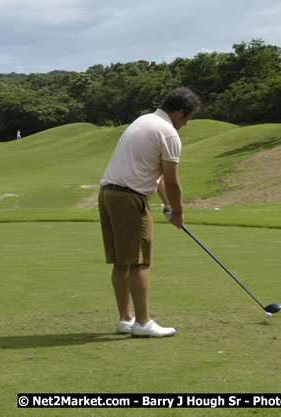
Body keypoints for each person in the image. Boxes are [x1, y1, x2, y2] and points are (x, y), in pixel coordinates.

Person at [98, 87, 200, 338]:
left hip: (108, 194)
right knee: (139, 261)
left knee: (122, 262)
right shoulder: (169, 134)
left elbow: (155, 177)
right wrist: (178, 212)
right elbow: (173, 181)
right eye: (187, 118)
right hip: (129, 199)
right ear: (179, 112)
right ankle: (142, 323)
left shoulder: (144, 120)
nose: (185, 125)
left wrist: (167, 205)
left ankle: (126, 318)